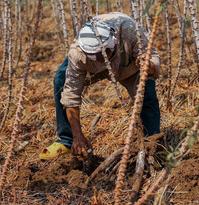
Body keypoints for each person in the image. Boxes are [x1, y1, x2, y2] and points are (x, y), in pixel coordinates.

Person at [39, 12, 161, 160]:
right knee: (61, 81)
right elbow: (71, 96)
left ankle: (151, 143)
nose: (102, 60)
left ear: (114, 42)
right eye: (97, 56)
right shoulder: (78, 53)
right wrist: (78, 136)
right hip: (93, 69)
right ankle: (68, 140)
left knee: (146, 95)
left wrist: (148, 65)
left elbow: (155, 58)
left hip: (128, 66)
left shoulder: (130, 31)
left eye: (106, 54)